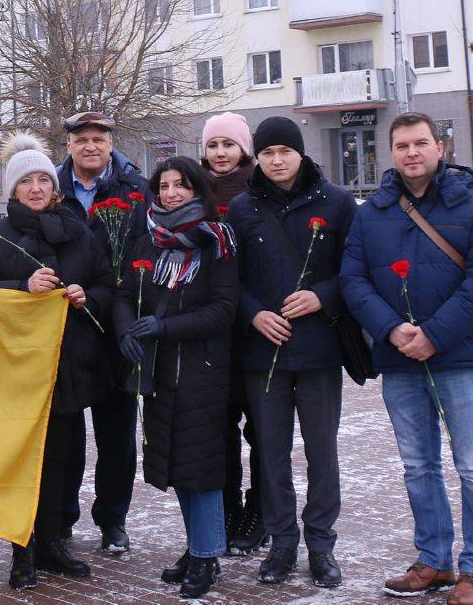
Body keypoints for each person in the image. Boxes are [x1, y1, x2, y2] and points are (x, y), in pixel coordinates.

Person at [340, 113, 473, 605]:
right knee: (418, 465)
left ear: (439, 147)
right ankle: (433, 560)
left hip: (458, 355)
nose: (411, 153)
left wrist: (434, 335)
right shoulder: (371, 213)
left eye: (420, 143)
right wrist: (391, 329)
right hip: (399, 358)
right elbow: (353, 280)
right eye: (401, 145)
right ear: (390, 153)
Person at [0, 132, 115, 591]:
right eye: (25, 181)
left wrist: (86, 295)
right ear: (12, 190)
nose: (35, 188)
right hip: (17, 373)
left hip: (67, 368)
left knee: (64, 462)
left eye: (43, 180)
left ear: (54, 188)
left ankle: (53, 541)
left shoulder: (78, 231)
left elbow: (108, 287)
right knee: (24, 464)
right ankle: (22, 547)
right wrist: (21, 289)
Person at [227, 116, 355, 589]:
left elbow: (357, 269)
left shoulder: (338, 204)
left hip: (319, 349)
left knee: (322, 450)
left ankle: (321, 543)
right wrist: (254, 314)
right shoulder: (241, 210)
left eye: (285, 151)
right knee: (271, 452)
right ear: (256, 158)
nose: (276, 160)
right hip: (265, 350)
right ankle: (282, 542)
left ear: (300, 153)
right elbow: (229, 280)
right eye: (267, 153)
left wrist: (324, 295)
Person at [113, 157, 238, 599]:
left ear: (198, 190)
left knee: (200, 465)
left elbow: (223, 310)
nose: (170, 193)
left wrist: (165, 328)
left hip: (201, 369)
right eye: (163, 186)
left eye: (180, 185)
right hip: (159, 372)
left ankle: (206, 555)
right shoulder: (149, 240)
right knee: (177, 463)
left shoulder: (217, 242)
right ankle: (197, 547)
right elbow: (126, 293)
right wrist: (127, 330)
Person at [55, 108, 146, 554]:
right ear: (68, 144)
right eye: (82, 139)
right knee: (67, 435)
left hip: (117, 328)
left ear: (111, 143)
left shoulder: (135, 190)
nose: (91, 146)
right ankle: (64, 517)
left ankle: (113, 519)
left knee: (116, 435)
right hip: (67, 329)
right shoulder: (49, 188)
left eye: (99, 138)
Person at [199, 111, 266, 556]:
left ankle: (258, 511)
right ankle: (224, 508)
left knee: (262, 431)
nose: (221, 153)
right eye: (212, 145)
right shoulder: (192, 190)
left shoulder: (261, 192)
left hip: (255, 331)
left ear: (244, 149)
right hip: (210, 334)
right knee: (217, 431)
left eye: (228, 144)